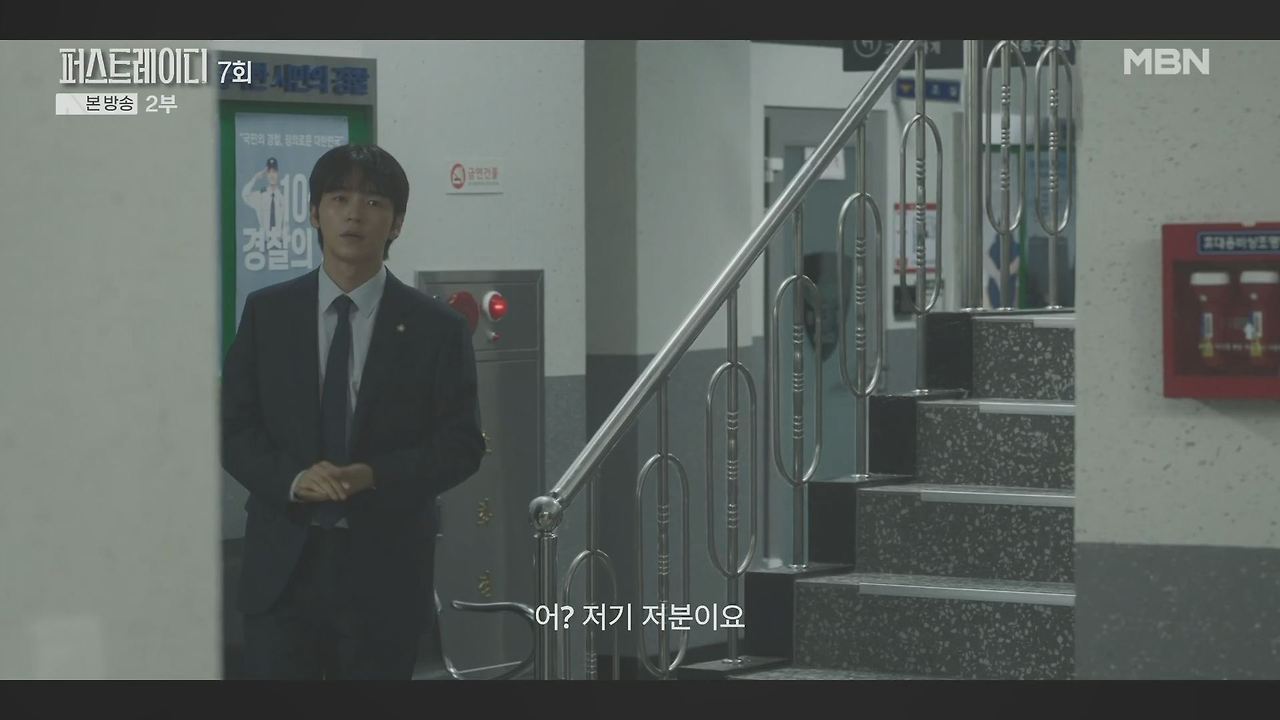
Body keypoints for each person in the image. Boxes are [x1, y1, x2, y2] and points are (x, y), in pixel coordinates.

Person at [221, 144, 485, 680]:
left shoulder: (437, 328)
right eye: (339, 198)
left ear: (397, 223)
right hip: (283, 568)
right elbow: (233, 429)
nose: (354, 214)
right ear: (314, 213)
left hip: (386, 570)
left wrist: (374, 474)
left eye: (373, 202)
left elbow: (461, 445)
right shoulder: (268, 313)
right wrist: (292, 478)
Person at [241, 156, 289, 243]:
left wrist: (283, 237)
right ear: (266, 174)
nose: (272, 175)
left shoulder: (283, 198)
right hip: (263, 243)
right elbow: (245, 195)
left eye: (274, 172)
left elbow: (286, 224)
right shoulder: (261, 195)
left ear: (278, 174)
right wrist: (255, 178)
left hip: (279, 243)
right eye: (269, 172)